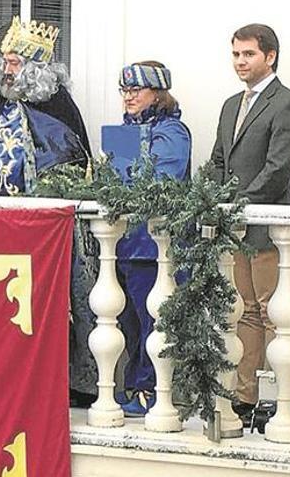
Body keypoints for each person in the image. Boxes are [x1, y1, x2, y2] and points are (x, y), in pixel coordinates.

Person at [210, 24, 290, 414]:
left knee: (272, 313)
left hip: (267, 228)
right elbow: (220, 159)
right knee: (246, 311)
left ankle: (278, 400)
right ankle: (245, 397)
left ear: (269, 56)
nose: (239, 62)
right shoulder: (231, 104)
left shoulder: (289, 104)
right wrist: (218, 201)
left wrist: (238, 205)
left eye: (248, 54)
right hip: (237, 229)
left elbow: (279, 169)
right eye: (235, 54)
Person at [106, 61, 192, 416]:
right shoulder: (125, 130)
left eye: (135, 90)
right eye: (124, 90)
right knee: (126, 322)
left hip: (153, 246)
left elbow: (160, 181)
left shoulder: (172, 130)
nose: (128, 97)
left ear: (156, 93)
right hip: (125, 245)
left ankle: (150, 389)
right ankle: (134, 384)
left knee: (152, 322)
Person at [0, 16, 90, 196]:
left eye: (13, 63)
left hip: (39, 209)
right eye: (5, 62)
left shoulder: (59, 105)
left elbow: (69, 162)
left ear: (34, 68)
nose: (6, 70)